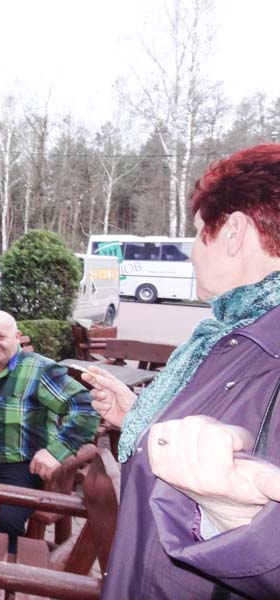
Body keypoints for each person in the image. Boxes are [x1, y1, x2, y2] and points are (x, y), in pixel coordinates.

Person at [84, 144, 280, 598]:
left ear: (233, 232)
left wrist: (233, 516)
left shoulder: (263, 348)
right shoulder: (227, 336)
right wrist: (139, 414)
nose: (192, 253)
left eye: (197, 234)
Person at [0, 310, 100, 562]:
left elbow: (86, 407)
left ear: (17, 337)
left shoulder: (40, 370)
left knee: (6, 521)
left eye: (0, 336)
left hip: (20, 464)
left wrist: (56, 451)